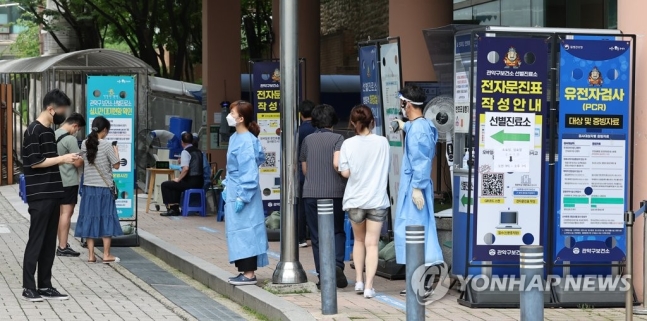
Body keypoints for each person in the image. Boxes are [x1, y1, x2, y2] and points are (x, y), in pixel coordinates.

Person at [21, 89, 79, 302]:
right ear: (51, 109)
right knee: (36, 241)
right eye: (62, 110)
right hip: (40, 194)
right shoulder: (33, 131)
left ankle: (45, 286)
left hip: (55, 193)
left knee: (48, 243)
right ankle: (28, 287)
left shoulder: (48, 130)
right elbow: (35, 162)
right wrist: (63, 159)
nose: (64, 114)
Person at [391, 85, 444, 296]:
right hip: (414, 186)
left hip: (415, 188)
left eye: (401, 102)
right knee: (415, 231)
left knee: (416, 233)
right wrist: (404, 126)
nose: (400, 106)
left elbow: (421, 160)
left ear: (408, 104)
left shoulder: (419, 130)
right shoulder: (419, 126)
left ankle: (423, 282)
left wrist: (416, 188)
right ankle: (420, 280)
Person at [337, 105, 390, 298]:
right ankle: (369, 286)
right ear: (372, 121)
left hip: (355, 199)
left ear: (352, 122)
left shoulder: (348, 144)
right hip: (376, 199)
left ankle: (358, 280)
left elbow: (345, 173)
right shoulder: (383, 142)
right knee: (372, 244)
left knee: (358, 241)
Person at [300, 104, 348, 289]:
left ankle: (323, 275)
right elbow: (340, 165)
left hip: (311, 193)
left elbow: (305, 169)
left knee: (317, 235)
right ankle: (336, 266)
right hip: (334, 193)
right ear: (333, 120)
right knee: (336, 230)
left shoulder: (308, 140)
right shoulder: (339, 139)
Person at [222, 100, 268, 285]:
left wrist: (243, 194)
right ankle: (243, 270)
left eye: (232, 113)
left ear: (241, 118)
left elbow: (249, 171)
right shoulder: (235, 138)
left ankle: (249, 274)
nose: (229, 116)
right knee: (237, 231)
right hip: (235, 188)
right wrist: (227, 185)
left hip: (243, 191)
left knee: (247, 230)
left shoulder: (247, 141)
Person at [75, 116, 123, 263]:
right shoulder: (107, 145)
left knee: (89, 218)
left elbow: (80, 161)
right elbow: (116, 165)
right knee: (106, 218)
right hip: (103, 189)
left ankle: (91, 255)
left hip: (89, 188)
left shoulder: (84, 143)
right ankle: (106, 254)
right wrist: (116, 151)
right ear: (105, 130)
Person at [54, 112, 86, 257]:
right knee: (67, 213)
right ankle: (62, 246)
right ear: (74, 125)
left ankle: (61, 243)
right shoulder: (70, 139)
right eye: (77, 129)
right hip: (68, 180)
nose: (77, 131)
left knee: (59, 214)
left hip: (55, 180)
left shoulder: (53, 134)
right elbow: (77, 162)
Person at [160, 132, 205, 216]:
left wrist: (178, 178)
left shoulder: (185, 152)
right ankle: (175, 208)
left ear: (182, 142)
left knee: (165, 185)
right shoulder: (199, 151)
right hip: (200, 181)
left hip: (190, 181)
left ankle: (171, 209)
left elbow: (186, 169)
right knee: (176, 185)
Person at [297, 100, 316, 248]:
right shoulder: (318, 129)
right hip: (318, 170)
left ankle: (301, 237)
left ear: (301, 114)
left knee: (301, 205)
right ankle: (317, 234)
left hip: (302, 171)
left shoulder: (298, 131)